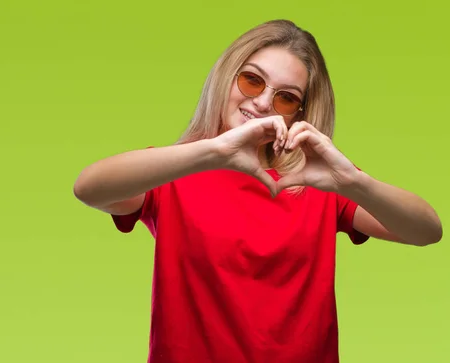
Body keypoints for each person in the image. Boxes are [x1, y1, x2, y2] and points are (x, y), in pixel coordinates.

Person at [72, 19, 443, 363]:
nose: (264, 103)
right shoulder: (175, 170)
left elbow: (426, 231)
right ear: (225, 77)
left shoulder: (317, 179)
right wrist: (214, 151)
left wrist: (355, 182)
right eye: (252, 81)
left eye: (286, 98)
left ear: (299, 113)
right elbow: (89, 189)